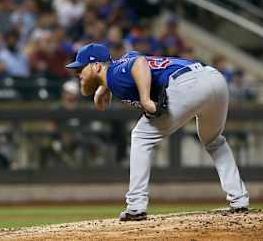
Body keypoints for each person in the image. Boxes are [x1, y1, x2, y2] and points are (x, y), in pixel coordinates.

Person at [66, 43, 249, 221]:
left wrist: (145, 100)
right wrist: (103, 87)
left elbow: (139, 64)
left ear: (97, 66)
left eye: (81, 69)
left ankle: (136, 206)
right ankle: (239, 200)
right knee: (214, 141)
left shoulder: (114, 75)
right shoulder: (116, 70)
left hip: (187, 85)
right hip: (214, 79)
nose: (78, 74)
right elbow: (134, 57)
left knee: (140, 137)